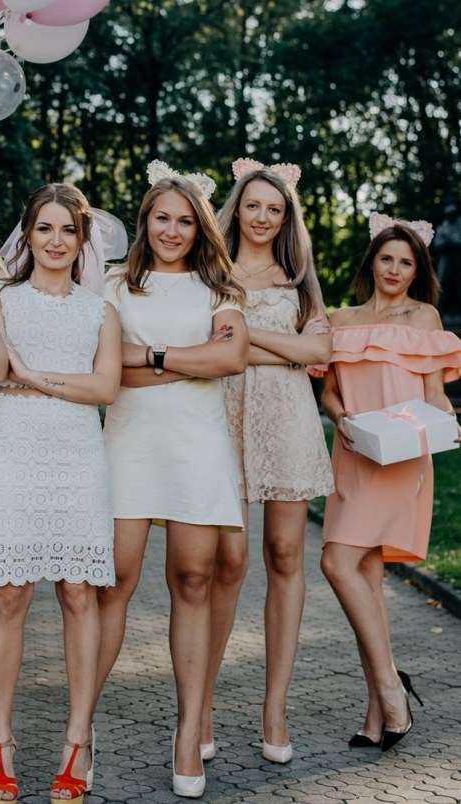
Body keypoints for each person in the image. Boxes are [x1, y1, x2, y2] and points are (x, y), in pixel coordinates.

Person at [0, 182, 121, 804]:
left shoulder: (100, 311)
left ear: (83, 240)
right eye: (45, 228)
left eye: (68, 230)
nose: (56, 240)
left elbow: (104, 388)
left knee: (79, 592)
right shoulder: (0, 298)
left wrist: (33, 375)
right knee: (9, 593)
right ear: (27, 234)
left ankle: (77, 744)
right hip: (13, 453)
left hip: (79, 458)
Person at [95, 160, 248, 799]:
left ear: (200, 228)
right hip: (127, 447)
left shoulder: (221, 291)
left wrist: (151, 357)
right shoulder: (113, 285)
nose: (172, 230)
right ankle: (81, 729)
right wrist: (191, 362)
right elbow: (105, 369)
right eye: (162, 217)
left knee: (192, 581)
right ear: (145, 221)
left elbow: (231, 356)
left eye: (186, 221)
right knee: (113, 582)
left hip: (197, 450)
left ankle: (188, 735)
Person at [197, 158, 334, 764]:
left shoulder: (299, 277)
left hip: (287, 423)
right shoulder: (211, 269)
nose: (261, 216)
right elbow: (207, 347)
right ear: (237, 209)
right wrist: (286, 349)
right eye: (253, 205)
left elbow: (320, 350)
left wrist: (248, 340)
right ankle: (199, 706)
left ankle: (274, 708)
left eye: (274, 209)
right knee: (227, 562)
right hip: (221, 419)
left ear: (286, 219)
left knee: (284, 554)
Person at [318, 213, 461, 752]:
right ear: (371, 262)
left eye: (406, 261)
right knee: (367, 580)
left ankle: (390, 689)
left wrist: (447, 423)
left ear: (417, 269)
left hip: (402, 456)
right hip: (354, 452)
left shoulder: (424, 317)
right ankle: (378, 711)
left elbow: (434, 392)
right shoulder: (341, 319)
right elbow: (329, 392)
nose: (395, 269)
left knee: (336, 562)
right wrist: (342, 419)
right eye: (386, 258)